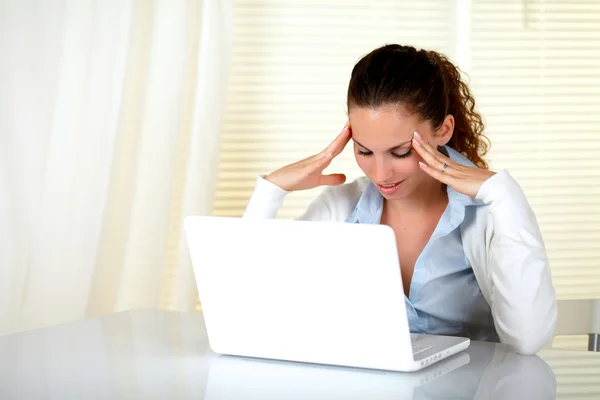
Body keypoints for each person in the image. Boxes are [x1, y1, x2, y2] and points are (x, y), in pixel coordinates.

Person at [243, 44, 557, 355]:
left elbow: (527, 340)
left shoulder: (489, 212)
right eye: (364, 151)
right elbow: (254, 306)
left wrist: (505, 195)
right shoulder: (341, 206)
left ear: (443, 130)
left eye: (400, 152)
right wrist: (270, 192)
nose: (380, 174)